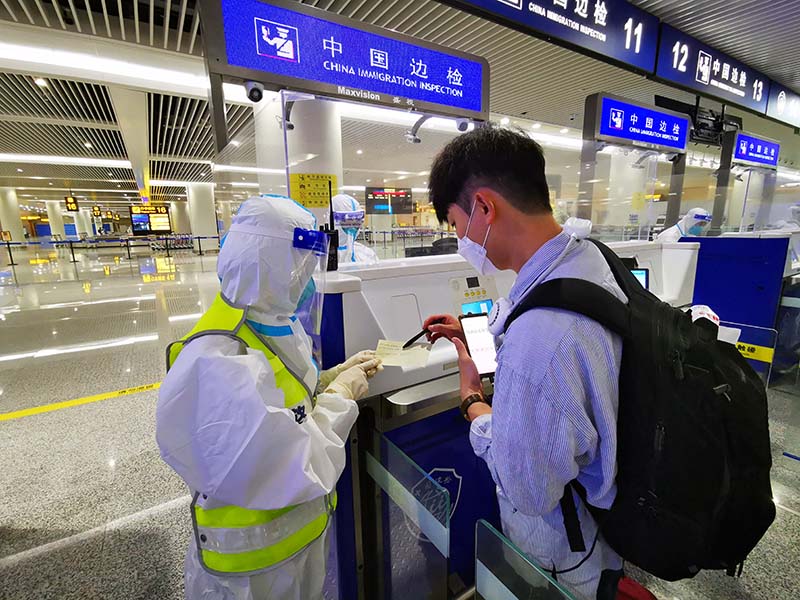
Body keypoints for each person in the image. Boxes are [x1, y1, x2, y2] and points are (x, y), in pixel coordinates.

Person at [422, 128, 632, 600]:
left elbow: (529, 490)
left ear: (484, 207)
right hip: (607, 530)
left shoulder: (540, 340)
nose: (460, 239)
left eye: (456, 224)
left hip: (564, 558)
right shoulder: (590, 259)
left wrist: (474, 404)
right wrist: (479, 336)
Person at [156, 195, 382, 600]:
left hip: (295, 547)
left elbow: (284, 404)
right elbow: (297, 464)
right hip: (247, 572)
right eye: (302, 266)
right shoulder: (219, 360)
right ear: (271, 263)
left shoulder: (271, 323)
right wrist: (341, 395)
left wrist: (327, 380)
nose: (308, 279)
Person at [332, 194, 379, 265]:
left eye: (357, 219)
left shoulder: (366, 254)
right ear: (334, 221)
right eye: (348, 219)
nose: (353, 225)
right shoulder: (321, 256)